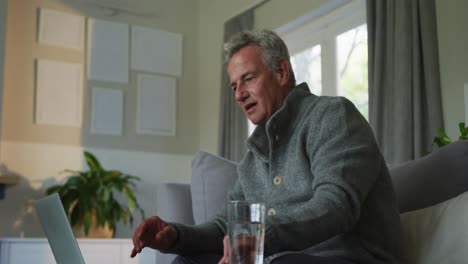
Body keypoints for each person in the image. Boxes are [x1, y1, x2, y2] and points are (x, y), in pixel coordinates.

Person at [131, 29, 404, 264]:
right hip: (282, 259)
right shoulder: (252, 160)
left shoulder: (333, 115)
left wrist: (255, 239)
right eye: (234, 86)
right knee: (186, 261)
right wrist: (175, 235)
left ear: (282, 72)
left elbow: (336, 206)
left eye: (248, 79)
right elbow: (225, 226)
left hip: (351, 259)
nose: (238, 94)